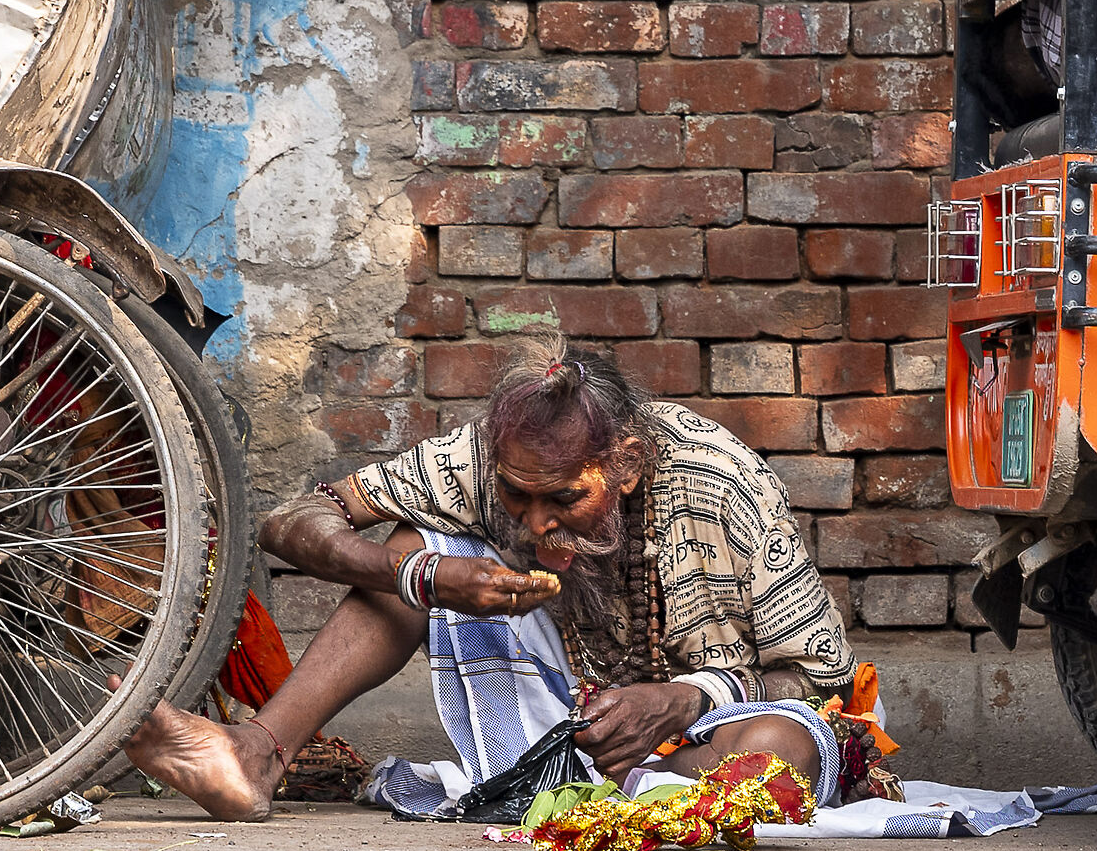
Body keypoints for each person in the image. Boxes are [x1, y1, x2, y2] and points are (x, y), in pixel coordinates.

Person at [123, 333, 861, 822]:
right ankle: (255, 753)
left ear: (628, 466)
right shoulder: (478, 461)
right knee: (416, 542)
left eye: (566, 499)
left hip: (712, 725)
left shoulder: (721, 484)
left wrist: (683, 699)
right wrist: (418, 574)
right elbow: (294, 522)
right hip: (571, 725)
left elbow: (824, 680)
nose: (536, 525)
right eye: (518, 497)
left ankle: (621, 798)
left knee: (779, 750)